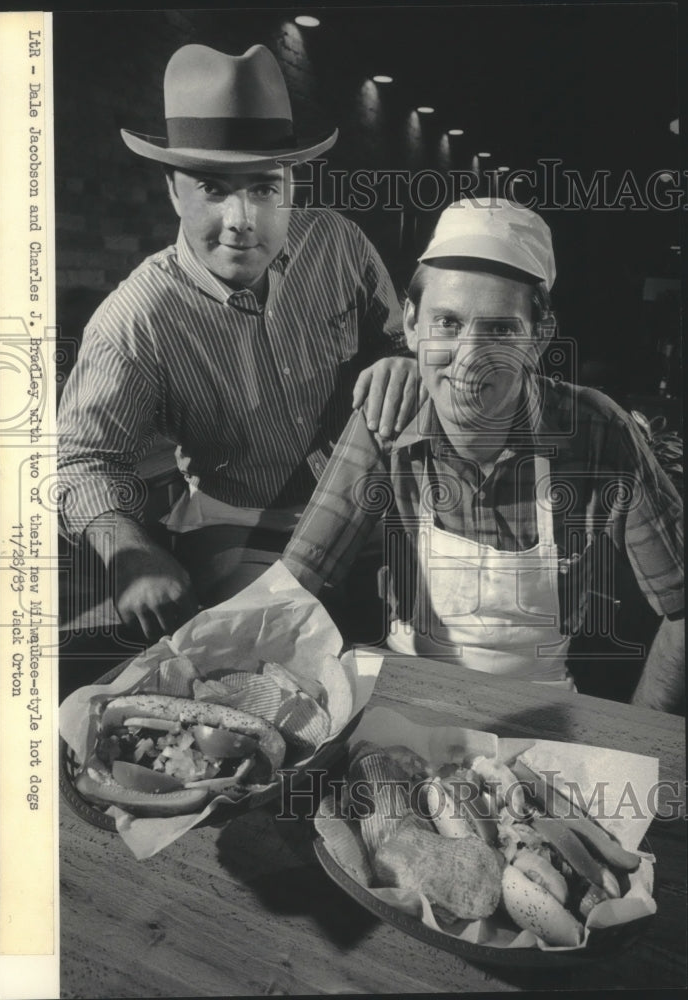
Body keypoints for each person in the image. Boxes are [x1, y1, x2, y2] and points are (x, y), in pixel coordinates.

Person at [58, 43, 421, 643]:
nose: (241, 218)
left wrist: (403, 361)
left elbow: (400, 340)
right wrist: (129, 551)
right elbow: (79, 461)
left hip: (367, 502)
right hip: (238, 521)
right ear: (174, 190)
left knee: (433, 646)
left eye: (262, 187)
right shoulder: (136, 318)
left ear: (291, 184)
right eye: (212, 188)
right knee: (263, 665)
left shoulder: (338, 242)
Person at [281, 198, 684, 712]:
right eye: (447, 322)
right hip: (404, 699)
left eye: (499, 330)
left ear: (538, 337)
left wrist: (641, 734)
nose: (469, 360)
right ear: (410, 323)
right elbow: (298, 582)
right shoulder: (387, 417)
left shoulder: (597, 433)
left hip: (542, 710)